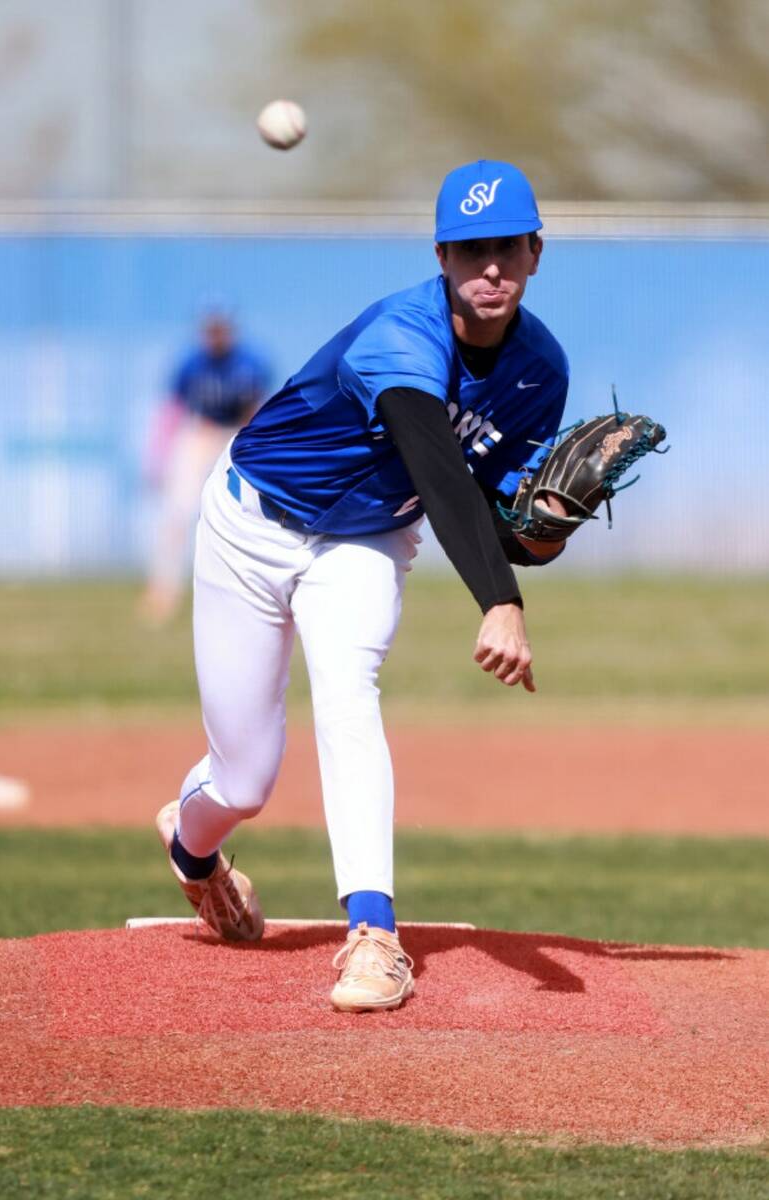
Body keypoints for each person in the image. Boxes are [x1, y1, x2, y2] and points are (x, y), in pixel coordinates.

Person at [156, 160, 571, 1012]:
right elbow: (438, 467)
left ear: (535, 252)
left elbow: (500, 524)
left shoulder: (540, 372)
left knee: (348, 693)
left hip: (367, 540)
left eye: (505, 247)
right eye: (469, 249)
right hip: (250, 524)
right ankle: (192, 853)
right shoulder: (401, 333)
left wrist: (543, 529)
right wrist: (499, 599)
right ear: (441, 256)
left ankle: (374, 937)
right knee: (244, 782)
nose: (488, 266)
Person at [140, 306, 272, 624]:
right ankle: (163, 592)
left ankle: (254, 591)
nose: (215, 334)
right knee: (178, 513)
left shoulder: (249, 362)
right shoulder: (191, 364)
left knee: (249, 513)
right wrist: (159, 455)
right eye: (210, 328)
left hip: (235, 435)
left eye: (220, 328)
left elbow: (257, 408)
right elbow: (173, 410)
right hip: (200, 434)